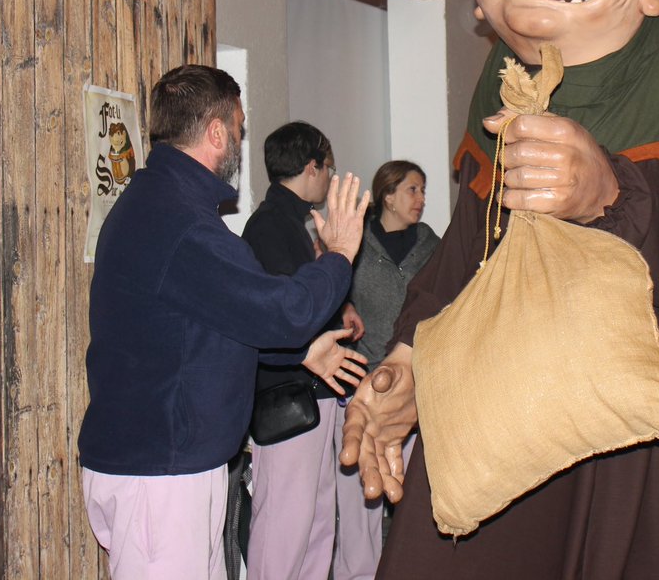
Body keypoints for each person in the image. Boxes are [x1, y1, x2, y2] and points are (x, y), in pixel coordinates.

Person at [342, 0, 659, 578]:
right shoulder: (502, 94)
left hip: (636, 422)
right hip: (512, 399)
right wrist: (410, 362)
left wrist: (610, 191)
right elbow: (465, 258)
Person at [78, 65, 370, 579]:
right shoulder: (180, 223)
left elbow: (216, 323)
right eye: (238, 124)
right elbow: (281, 310)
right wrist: (341, 254)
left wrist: (301, 351)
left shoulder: (164, 207)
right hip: (160, 473)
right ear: (216, 132)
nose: (240, 136)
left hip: (166, 466)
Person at [241, 121, 368, 580]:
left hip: (314, 389)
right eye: (329, 168)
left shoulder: (293, 220)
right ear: (311, 166)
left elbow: (308, 293)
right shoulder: (270, 225)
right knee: (284, 527)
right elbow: (283, 313)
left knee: (316, 523)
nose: (331, 179)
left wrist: (343, 305)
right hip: (288, 392)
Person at [333, 161, 440, 580]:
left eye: (423, 190)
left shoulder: (433, 245)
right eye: (413, 190)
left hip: (417, 389)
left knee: (414, 493)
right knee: (361, 496)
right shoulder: (357, 244)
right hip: (361, 383)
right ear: (388, 195)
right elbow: (332, 289)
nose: (421, 199)